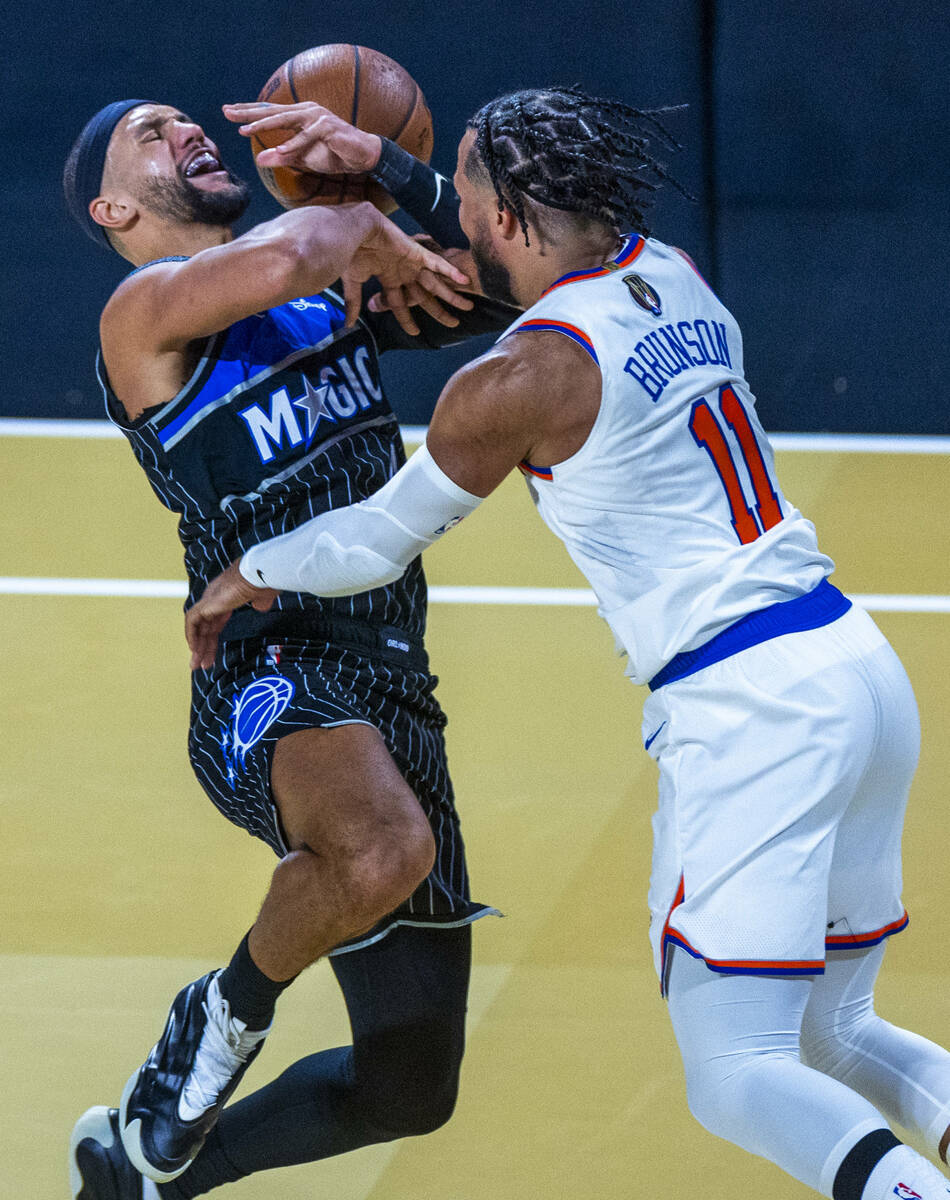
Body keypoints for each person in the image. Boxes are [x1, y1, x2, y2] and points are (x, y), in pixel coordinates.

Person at [188, 87, 950, 1200]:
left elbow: (375, 542)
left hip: (755, 710)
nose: (451, 211)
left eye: (464, 194)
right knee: (835, 1033)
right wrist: (390, 167)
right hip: (855, 669)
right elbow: (526, 265)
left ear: (504, 218)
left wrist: (248, 570)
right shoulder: (672, 270)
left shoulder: (518, 379)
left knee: (734, 1071)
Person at [64, 96, 516, 1199]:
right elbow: (300, 247)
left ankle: (151, 1179)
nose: (186, 132)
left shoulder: (326, 287)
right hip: (268, 663)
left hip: (392, 673)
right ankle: (217, 1019)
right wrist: (358, 210)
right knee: (381, 850)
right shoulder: (144, 315)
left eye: (186, 121)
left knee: (410, 1088)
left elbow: (507, 288)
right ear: (113, 208)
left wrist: (389, 174)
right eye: (152, 135)